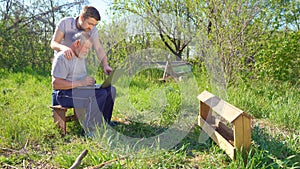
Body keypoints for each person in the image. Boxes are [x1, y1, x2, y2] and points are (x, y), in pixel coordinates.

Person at [51, 31, 116, 136]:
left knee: (111, 90)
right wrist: (81, 83)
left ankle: (104, 124)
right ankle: (89, 130)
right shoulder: (62, 58)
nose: (87, 51)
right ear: (77, 43)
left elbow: (78, 79)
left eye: (89, 49)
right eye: (86, 48)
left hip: (78, 90)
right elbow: (56, 84)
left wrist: (89, 82)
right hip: (63, 94)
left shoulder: (80, 57)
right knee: (100, 95)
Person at [50, 5, 112, 74]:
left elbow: (98, 48)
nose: (91, 28)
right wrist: (64, 48)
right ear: (82, 18)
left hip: (78, 69)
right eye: (90, 23)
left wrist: (105, 65)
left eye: (94, 25)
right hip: (62, 65)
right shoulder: (65, 23)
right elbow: (53, 43)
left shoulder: (93, 30)